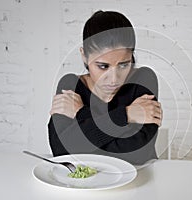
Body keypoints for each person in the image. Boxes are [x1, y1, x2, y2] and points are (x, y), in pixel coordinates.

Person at [48, 10, 162, 165]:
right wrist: (125, 115)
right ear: (84, 56)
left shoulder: (143, 79)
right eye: (103, 66)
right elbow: (61, 151)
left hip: (138, 179)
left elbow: (137, 155)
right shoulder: (70, 85)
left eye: (123, 65)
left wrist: (81, 114)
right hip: (86, 184)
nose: (114, 79)